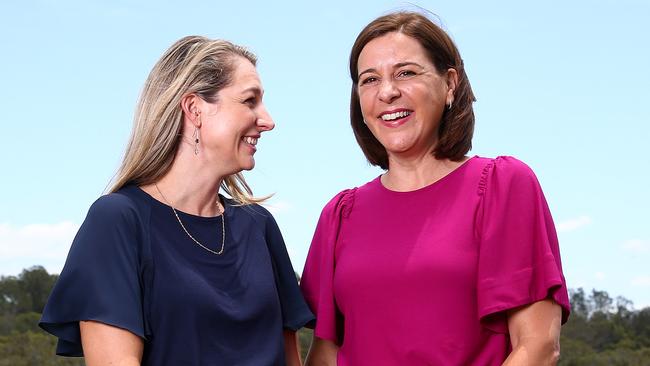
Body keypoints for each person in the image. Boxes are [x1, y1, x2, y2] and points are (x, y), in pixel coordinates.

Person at [301, 11, 570, 366]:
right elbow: (326, 355)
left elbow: (537, 346)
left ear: (450, 84)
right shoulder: (339, 215)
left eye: (406, 73)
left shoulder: (502, 187)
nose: (387, 92)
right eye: (369, 80)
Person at [39, 36, 314, 366]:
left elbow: (289, 359)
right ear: (195, 108)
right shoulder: (118, 220)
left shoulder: (259, 225)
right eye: (249, 100)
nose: (268, 120)